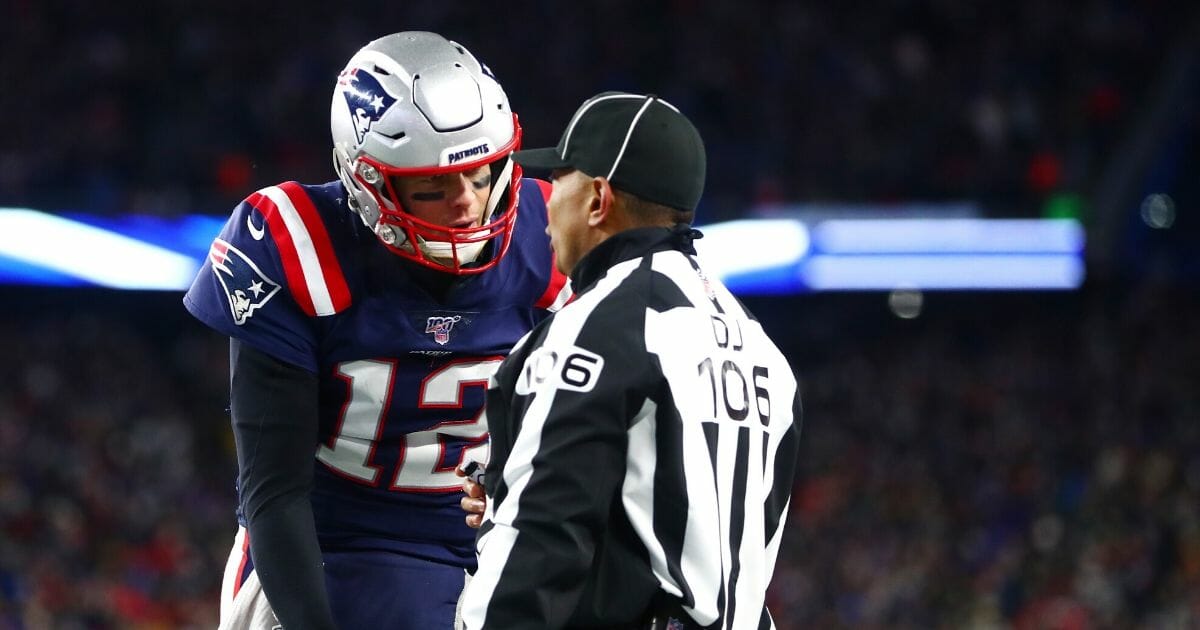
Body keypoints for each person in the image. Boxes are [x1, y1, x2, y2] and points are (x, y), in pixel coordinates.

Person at [183, 31, 570, 630]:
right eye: (432, 186)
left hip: (493, 542)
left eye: (481, 172)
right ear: (367, 180)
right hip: (333, 544)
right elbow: (272, 492)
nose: (466, 203)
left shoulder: (550, 234)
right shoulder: (296, 243)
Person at [460, 91, 803, 629]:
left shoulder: (597, 326)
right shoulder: (762, 349)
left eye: (559, 181)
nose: (544, 203)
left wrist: (512, 518)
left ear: (599, 198)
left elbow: (542, 539)